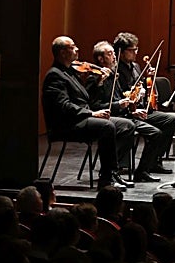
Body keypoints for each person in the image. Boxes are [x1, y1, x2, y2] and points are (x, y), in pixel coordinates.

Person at [41, 36, 135, 190]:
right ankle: (106, 179)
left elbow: (84, 97)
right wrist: (92, 114)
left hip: (79, 119)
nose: (77, 49)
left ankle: (113, 171)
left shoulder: (71, 71)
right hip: (67, 124)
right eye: (73, 47)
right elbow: (64, 106)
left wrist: (98, 83)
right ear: (63, 52)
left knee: (127, 125)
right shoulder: (55, 75)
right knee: (107, 126)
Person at [92, 38, 175, 182]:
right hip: (120, 115)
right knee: (150, 132)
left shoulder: (122, 71)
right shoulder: (100, 77)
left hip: (131, 111)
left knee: (169, 121)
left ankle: (149, 164)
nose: (135, 52)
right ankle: (114, 169)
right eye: (132, 50)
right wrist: (124, 105)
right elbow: (97, 105)